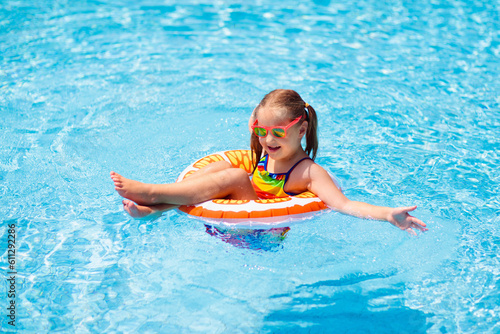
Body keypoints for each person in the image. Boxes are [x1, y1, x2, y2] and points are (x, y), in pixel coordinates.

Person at [111, 89, 427, 235]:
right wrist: (261, 124)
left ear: (301, 129)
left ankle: (153, 191)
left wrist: (388, 215)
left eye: (277, 132)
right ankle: (154, 210)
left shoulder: (308, 171)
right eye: (261, 131)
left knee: (235, 178)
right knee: (221, 170)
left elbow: (343, 204)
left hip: (263, 237)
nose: (268, 140)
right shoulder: (264, 154)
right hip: (239, 219)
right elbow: (258, 138)